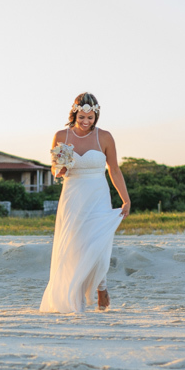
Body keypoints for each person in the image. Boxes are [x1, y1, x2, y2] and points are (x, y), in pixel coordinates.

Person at [39, 92, 131, 313]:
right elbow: (54, 169)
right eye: (82, 117)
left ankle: (101, 287)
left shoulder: (105, 137)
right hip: (73, 195)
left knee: (97, 243)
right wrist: (59, 170)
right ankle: (74, 297)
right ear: (74, 114)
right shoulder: (61, 135)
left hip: (98, 194)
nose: (85, 122)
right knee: (75, 246)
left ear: (96, 116)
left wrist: (125, 199)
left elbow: (114, 170)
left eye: (90, 118)